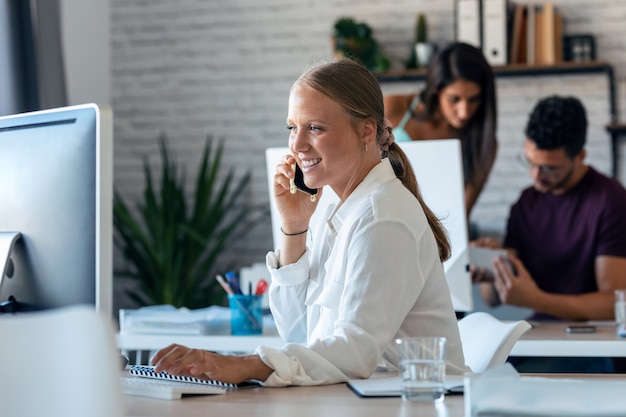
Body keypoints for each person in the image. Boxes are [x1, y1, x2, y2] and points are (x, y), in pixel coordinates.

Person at [151, 58, 469, 386]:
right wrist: (294, 227)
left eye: (314, 128)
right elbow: (300, 333)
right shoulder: (336, 209)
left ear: (366, 131)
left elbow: (355, 351)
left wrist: (246, 365)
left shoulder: (383, 218)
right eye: (293, 127)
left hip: (418, 403)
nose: (297, 144)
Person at [472, 95, 626, 372]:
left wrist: (535, 300)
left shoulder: (610, 200)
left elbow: (614, 304)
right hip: (541, 335)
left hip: (596, 345)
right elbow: (492, 299)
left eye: (550, 169)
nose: (536, 176)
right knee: (481, 372)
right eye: (530, 162)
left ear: (580, 156)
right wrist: (491, 268)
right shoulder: (526, 203)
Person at [384, 42, 497, 217]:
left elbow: (461, 215)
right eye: (454, 99)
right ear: (437, 90)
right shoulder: (393, 108)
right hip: (385, 219)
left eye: (474, 99)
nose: (464, 112)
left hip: (441, 233)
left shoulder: (484, 142)